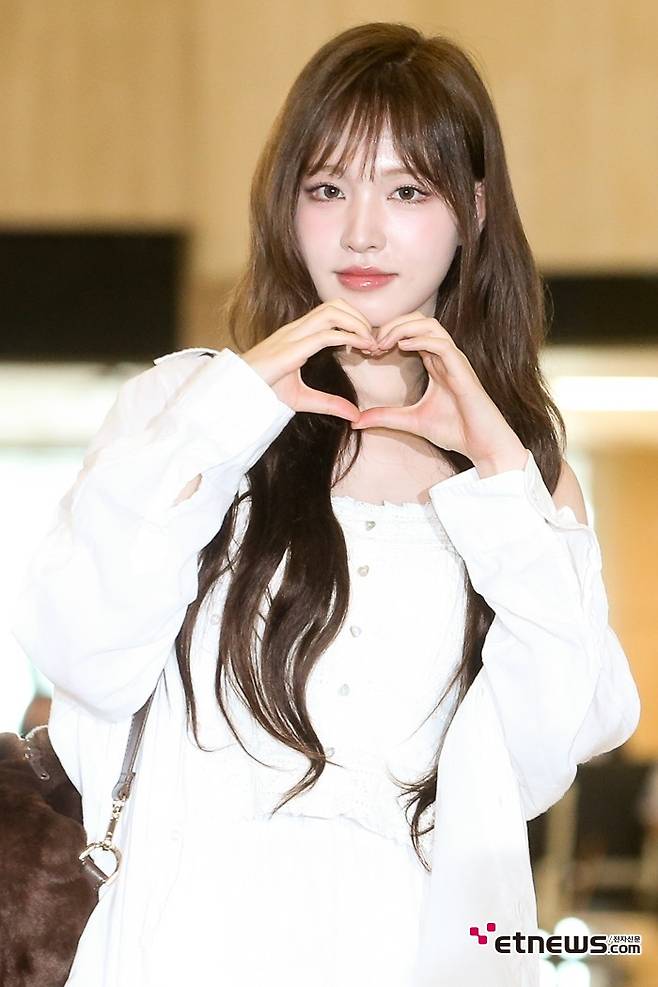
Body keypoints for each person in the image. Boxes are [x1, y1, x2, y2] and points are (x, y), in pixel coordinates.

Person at [11, 22, 641, 987]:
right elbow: (82, 648)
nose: (361, 232)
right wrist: (225, 412)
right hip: (187, 946)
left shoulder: (522, 480)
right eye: (327, 188)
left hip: (416, 954)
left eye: (407, 191)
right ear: (287, 205)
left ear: (472, 209)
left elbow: (543, 755)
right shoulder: (182, 412)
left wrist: (501, 472)